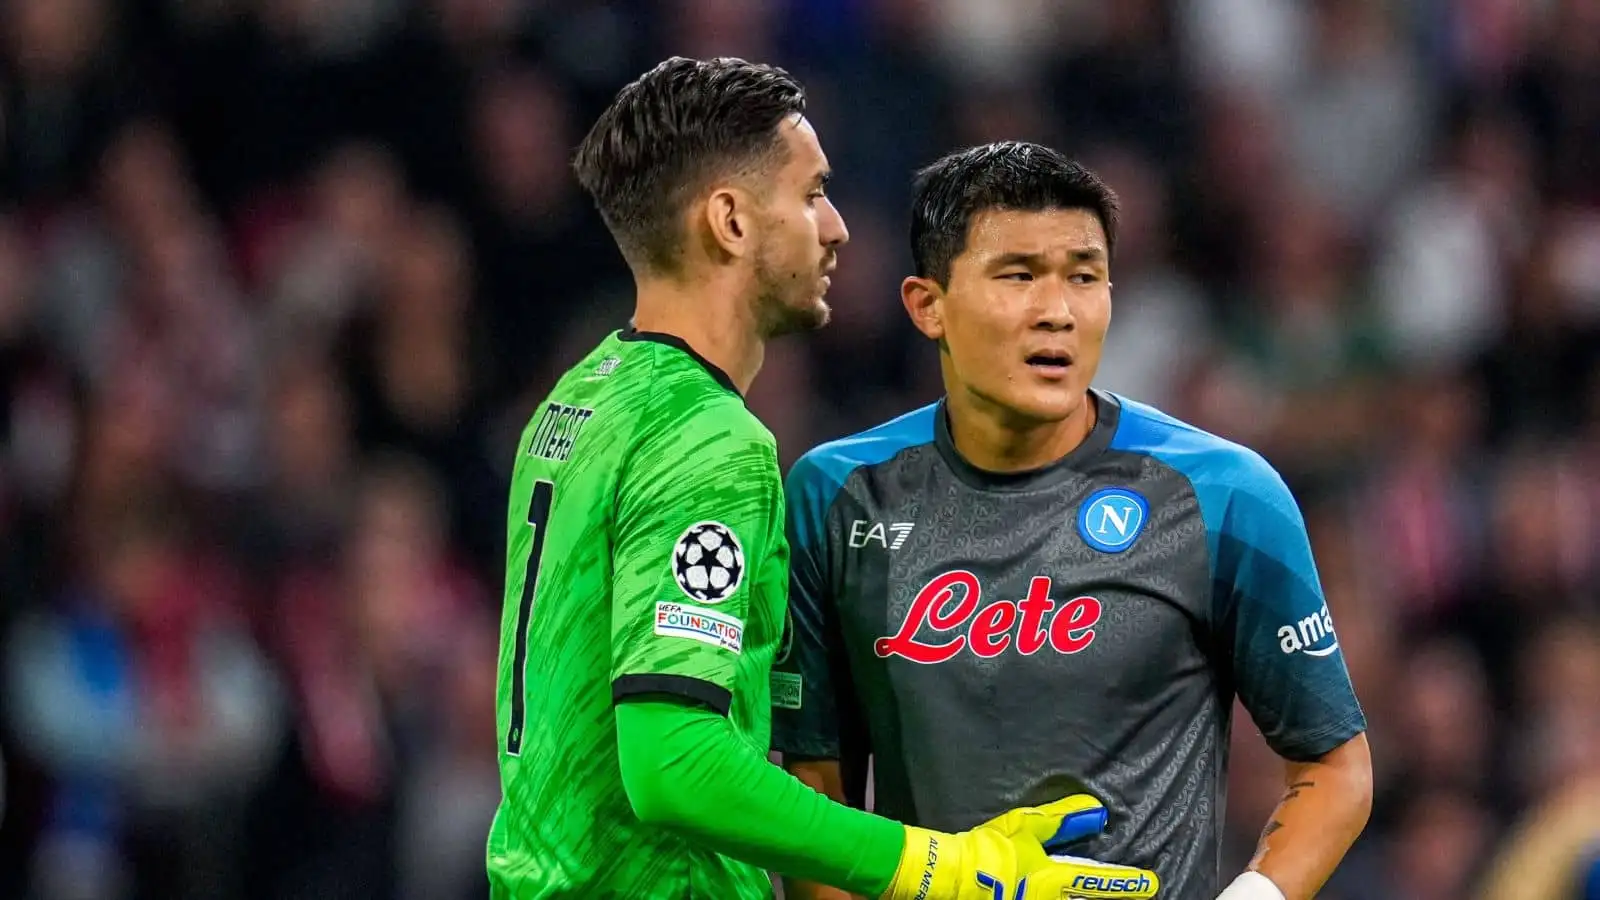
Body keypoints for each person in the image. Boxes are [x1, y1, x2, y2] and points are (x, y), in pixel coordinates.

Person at [485, 60, 1163, 900]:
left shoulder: (582, 396)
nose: (838, 227)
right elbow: (673, 763)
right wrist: (937, 866)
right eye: (811, 195)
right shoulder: (709, 442)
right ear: (731, 221)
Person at [775, 141, 1374, 900]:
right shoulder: (836, 495)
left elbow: (1335, 765)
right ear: (928, 306)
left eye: (1084, 277)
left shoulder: (1224, 494)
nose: (1057, 312)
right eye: (1018, 276)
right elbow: (814, 786)